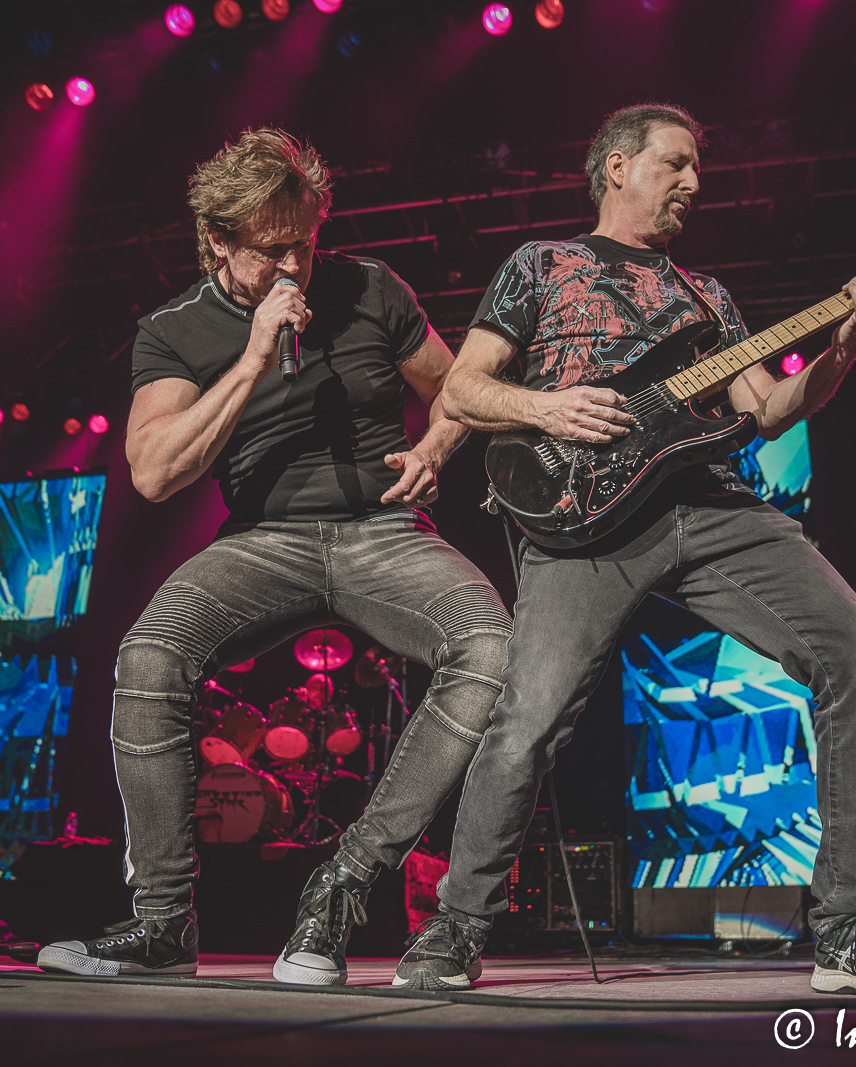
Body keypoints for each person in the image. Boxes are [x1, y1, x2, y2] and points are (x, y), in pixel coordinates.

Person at [393, 103, 856, 998]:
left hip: (713, 506)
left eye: (697, 169)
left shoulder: (709, 297)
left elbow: (766, 409)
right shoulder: (543, 265)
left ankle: (848, 932)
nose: (694, 182)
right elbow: (463, 386)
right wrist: (550, 408)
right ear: (617, 166)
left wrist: (845, 344)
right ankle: (456, 930)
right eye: (676, 164)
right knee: (528, 723)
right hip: (583, 521)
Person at [35, 128, 512, 986]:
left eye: (305, 242)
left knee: (491, 648)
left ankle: (345, 883)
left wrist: (436, 448)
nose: (293, 265)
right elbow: (153, 471)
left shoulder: (368, 287)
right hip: (263, 542)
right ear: (216, 239)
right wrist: (254, 353)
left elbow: (455, 388)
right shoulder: (177, 330)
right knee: (149, 655)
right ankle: (160, 924)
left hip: (382, 532)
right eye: (269, 250)